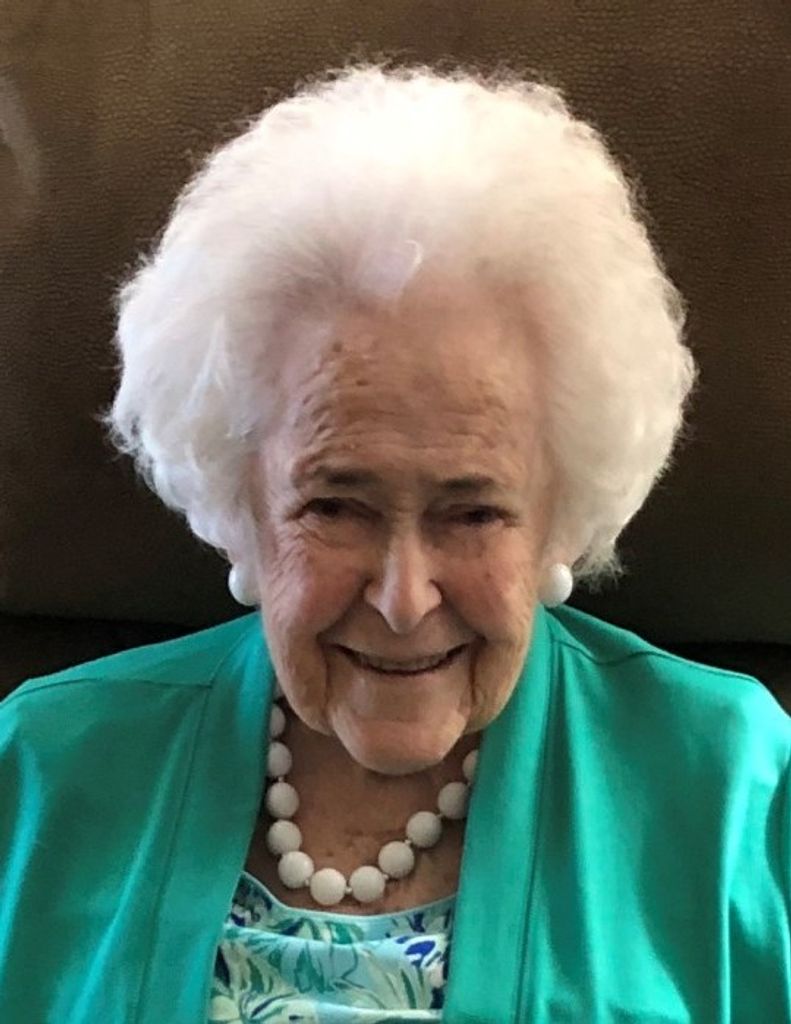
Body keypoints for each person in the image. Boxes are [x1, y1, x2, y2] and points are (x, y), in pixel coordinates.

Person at [0, 61, 788, 1024]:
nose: (403, 599)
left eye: (473, 512)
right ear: (241, 498)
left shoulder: (736, 791)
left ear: (560, 510)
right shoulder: (42, 770)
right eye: (336, 506)